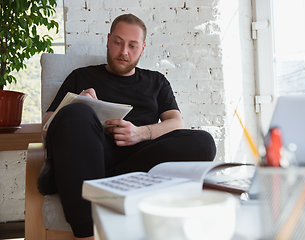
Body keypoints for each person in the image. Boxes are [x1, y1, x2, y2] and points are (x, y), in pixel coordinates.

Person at [41, 13, 216, 239]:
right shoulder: (81, 77)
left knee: (203, 142)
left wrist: (141, 133)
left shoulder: (157, 81)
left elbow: (176, 122)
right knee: (76, 112)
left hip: (142, 154)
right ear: (108, 40)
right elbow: (47, 127)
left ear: (142, 49)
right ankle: (87, 234)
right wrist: (79, 102)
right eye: (118, 42)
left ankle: (96, 179)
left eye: (132, 46)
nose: (124, 52)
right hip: (95, 152)